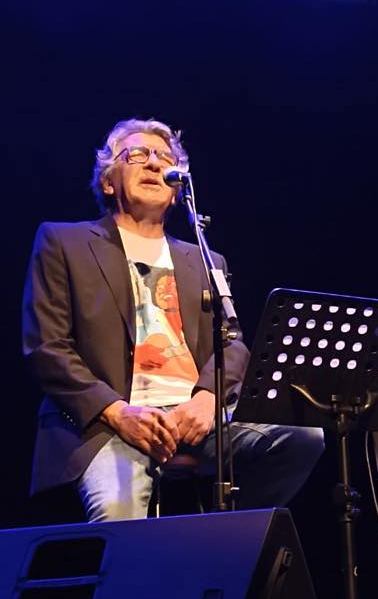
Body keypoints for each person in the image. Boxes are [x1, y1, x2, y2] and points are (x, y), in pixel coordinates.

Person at [22, 116, 325, 522]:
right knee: (117, 515)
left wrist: (208, 397)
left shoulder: (205, 258)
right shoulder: (65, 242)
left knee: (303, 436)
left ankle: (228, 538)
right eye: (136, 154)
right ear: (108, 182)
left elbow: (232, 341)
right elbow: (47, 347)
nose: (153, 163)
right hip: (109, 422)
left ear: (178, 188)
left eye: (164, 158)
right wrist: (116, 411)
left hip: (195, 417)